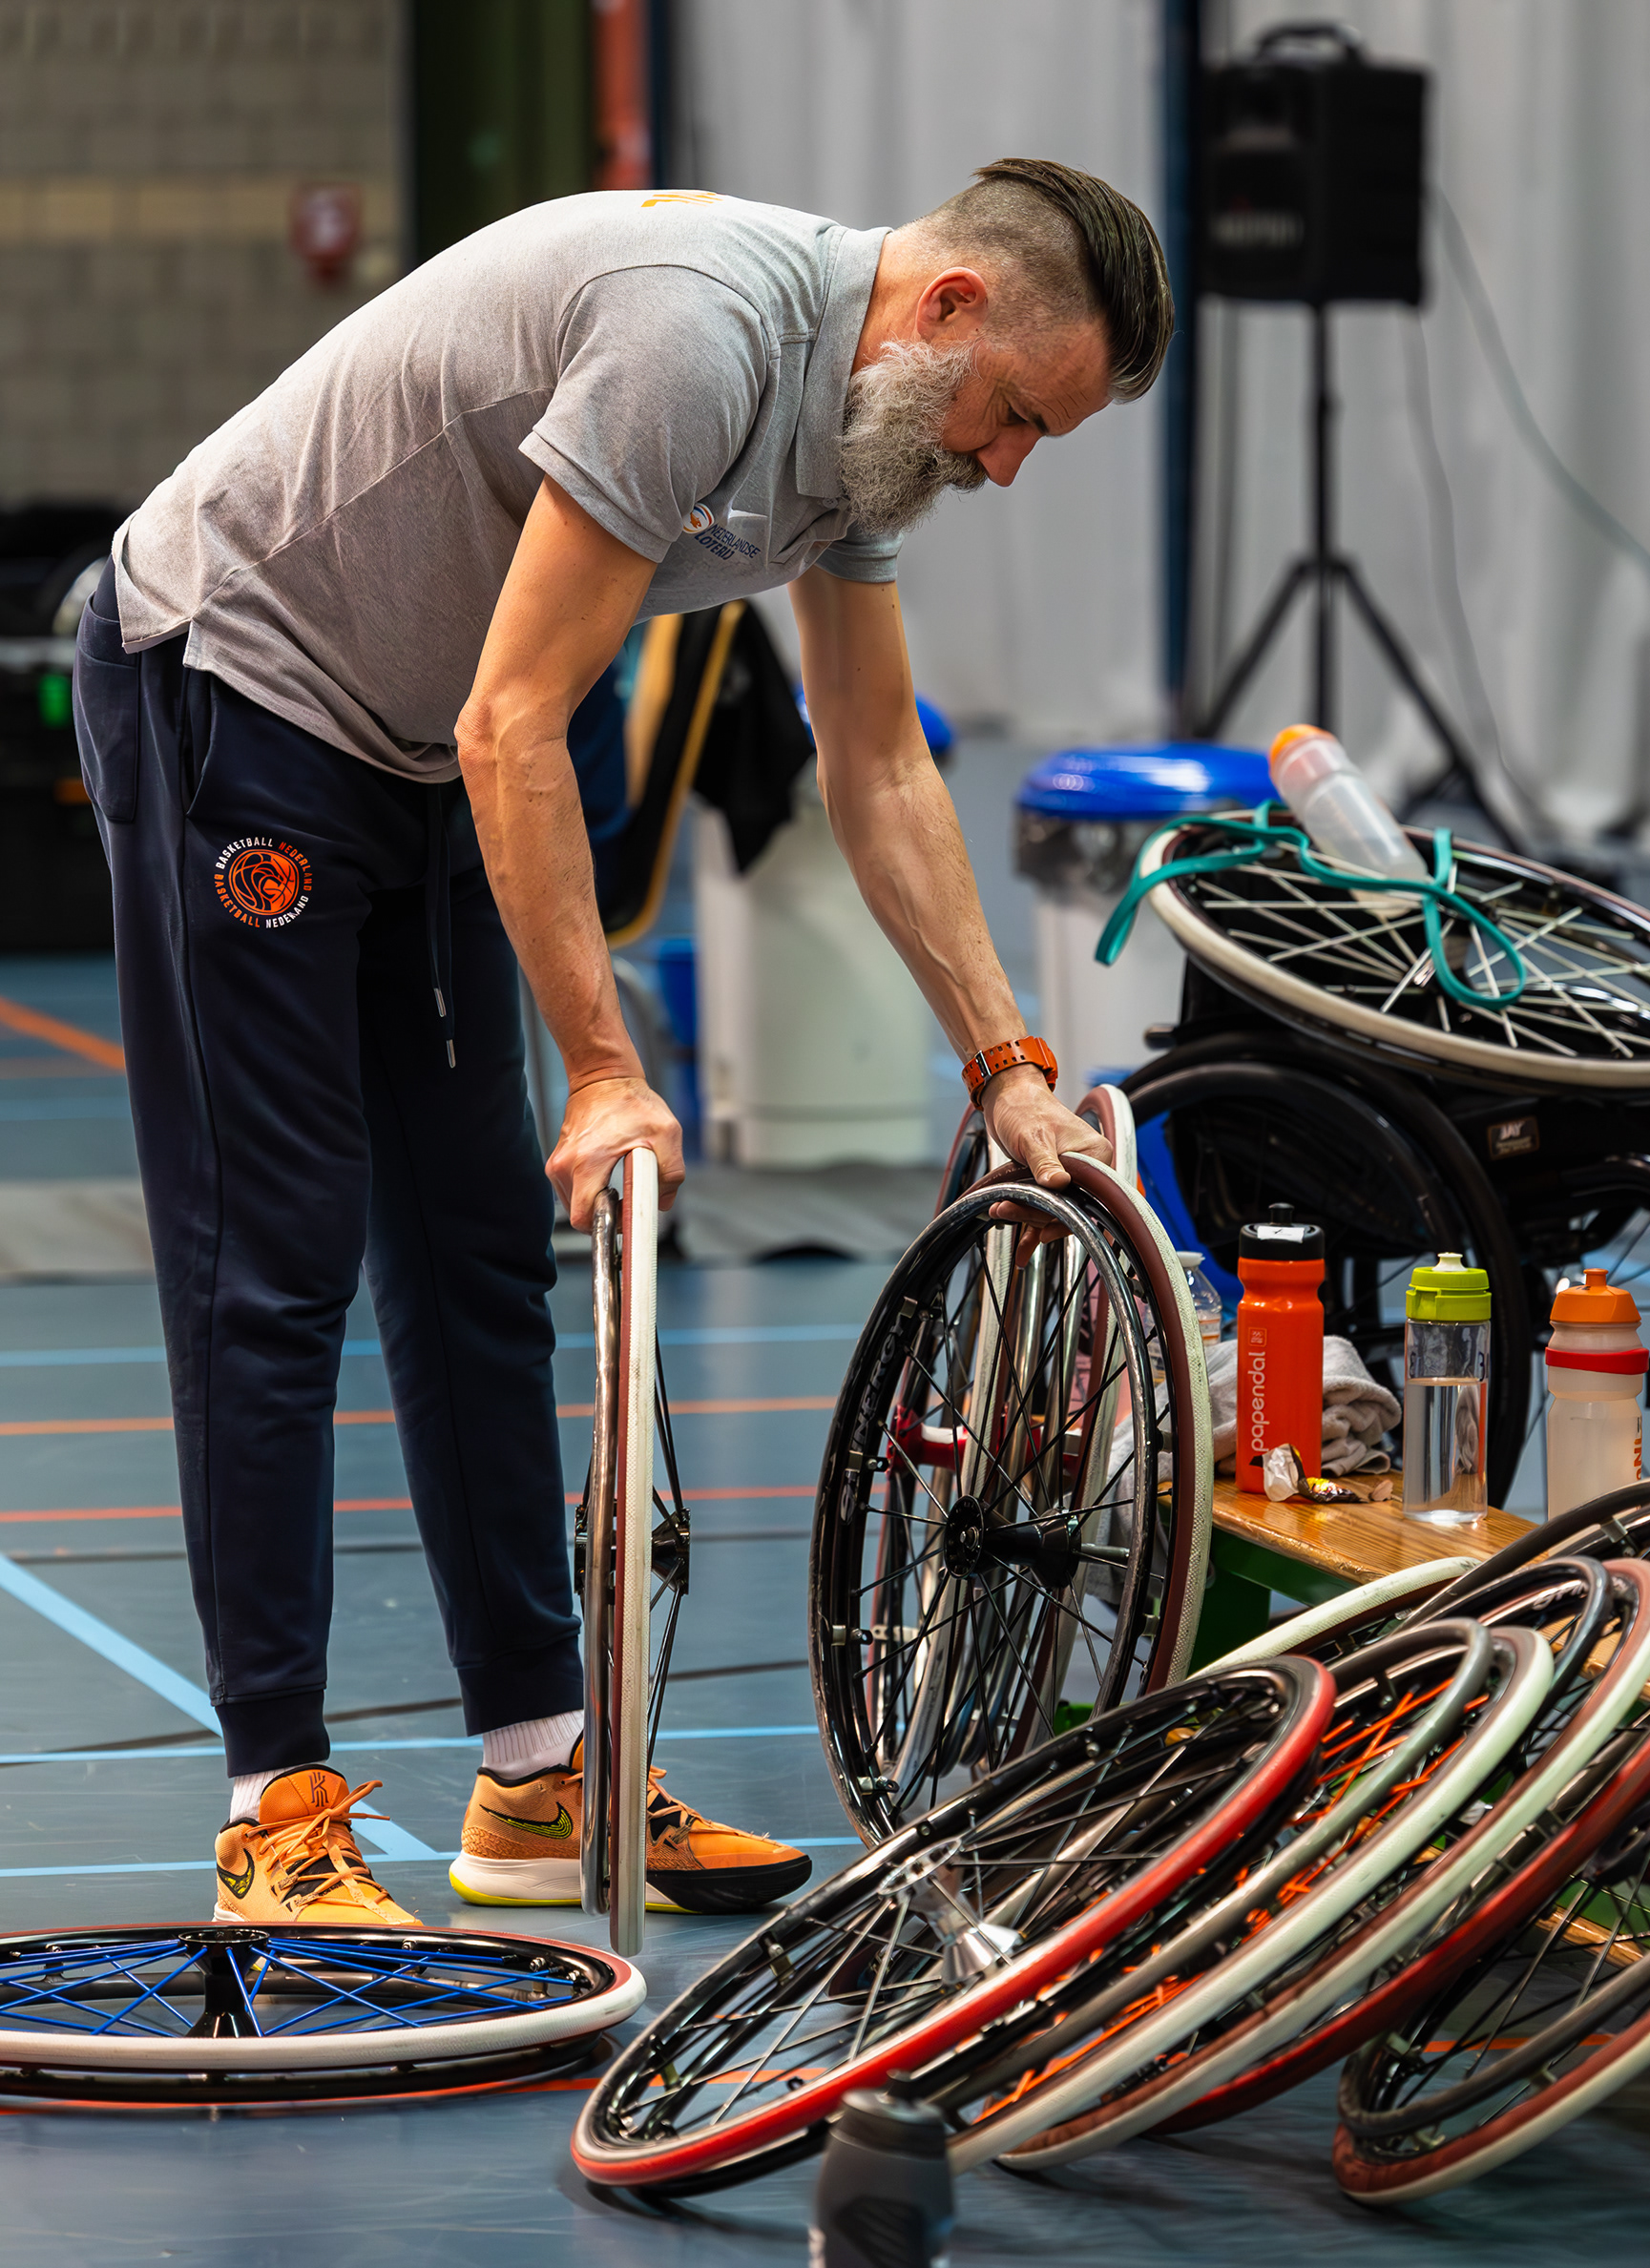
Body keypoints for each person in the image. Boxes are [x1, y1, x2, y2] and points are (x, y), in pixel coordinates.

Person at [73, 159, 1174, 1926]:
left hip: (417, 746)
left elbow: (878, 763)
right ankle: (272, 1807)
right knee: (273, 1264)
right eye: (1020, 418)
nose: (1008, 463)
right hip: (236, 683)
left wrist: (1004, 1059)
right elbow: (523, 718)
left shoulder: (864, 438)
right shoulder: (705, 337)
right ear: (948, 309)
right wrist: (604, 1062)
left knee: (482, 1255)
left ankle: (532, 1775)